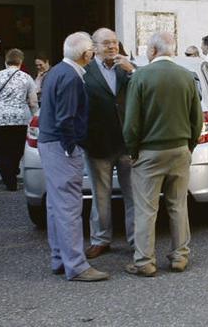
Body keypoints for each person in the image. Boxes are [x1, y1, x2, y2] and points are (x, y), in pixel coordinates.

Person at [124, 32, 202, 277]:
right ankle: (180, 256)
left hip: (149, 152)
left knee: (147, 209)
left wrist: (132, 150)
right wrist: (189, 146)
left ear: (153, 51)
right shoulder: (187, 77)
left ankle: (144, 261)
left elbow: (131, 124)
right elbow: (196, 120)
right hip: (179, 149)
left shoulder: (140, 77)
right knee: (178, 205)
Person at [38, 32, 108, 282]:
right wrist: (71, 148)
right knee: (69, 207)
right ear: (86, 54)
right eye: (92, 49)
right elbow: (66, 119)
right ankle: (77, 265)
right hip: (61, 146)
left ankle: (60, 257)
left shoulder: (57, 71)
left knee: (56, 205)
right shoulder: (71, 77)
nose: (94, 53)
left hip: (49, 143)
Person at [82, 28, 136, 260]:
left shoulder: (128, 69)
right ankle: (100, 239)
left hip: (127, 143)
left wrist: (132, 71)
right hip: (98, 144)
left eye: (114, 42)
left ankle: (137, 240)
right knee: (101, 196)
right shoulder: (85, 71)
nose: (112, 47)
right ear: (94, 47)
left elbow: (144, 91)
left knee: (134, 195)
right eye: (106, 43)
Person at [0, 49, 38, 191]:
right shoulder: (27, 77)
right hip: (21, 119)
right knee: (17, 149)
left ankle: (9, 180)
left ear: (6, 62)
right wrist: (35, 117)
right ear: (21, 62)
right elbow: (33, 101)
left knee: (1, 151)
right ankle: (13, 170)